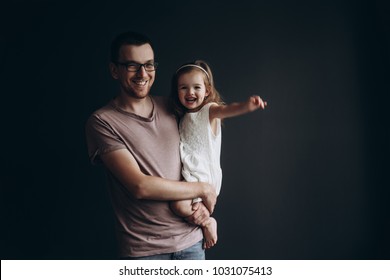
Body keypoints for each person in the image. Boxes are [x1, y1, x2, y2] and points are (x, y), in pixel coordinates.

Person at [85, 31, 217, 260]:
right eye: (132, 66)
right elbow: (140, 186)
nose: (142, 74)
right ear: (114, 70)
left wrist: (203, 211)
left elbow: (201, 152)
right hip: (145, 251)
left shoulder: (173, 107)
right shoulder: (103, 121)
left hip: (193, 243)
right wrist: (204, 189)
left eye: (148, 65)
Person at [169, 60, 267, 249]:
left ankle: (208, 222)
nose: (190, 92)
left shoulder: (209, 111)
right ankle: (203, 220)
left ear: (207, 91)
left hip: (204, 176)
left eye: (196, 87)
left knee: (178, 206)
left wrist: (247, 106)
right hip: (190, 174)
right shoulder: (182, 117)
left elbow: (227, 109)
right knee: (177, 205)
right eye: (184, 88)